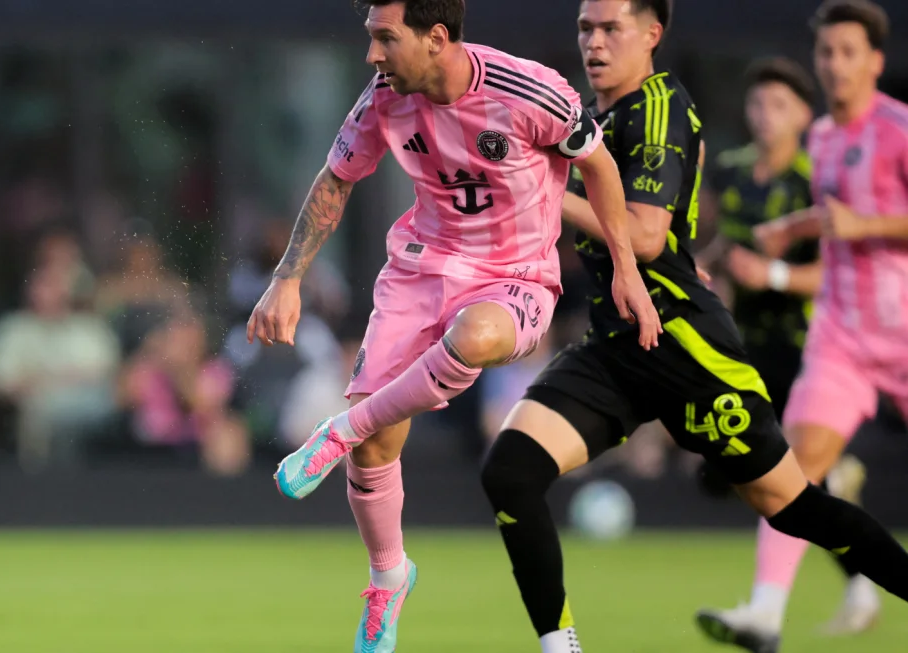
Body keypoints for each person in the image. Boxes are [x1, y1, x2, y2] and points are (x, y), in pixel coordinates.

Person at [472, 1, 908, 652]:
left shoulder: (656, 104)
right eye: (584, 28)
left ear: (652, 34)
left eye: (610, 28)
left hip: (683, 345)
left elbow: (646, 236)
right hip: (617, 344)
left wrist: (537, 182)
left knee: (792, 505)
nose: (593, 42)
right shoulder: (593, 120)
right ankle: (558, 646)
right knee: (509, 469)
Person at [247, 0, 661, 650]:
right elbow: (335, 179)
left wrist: (625, 270)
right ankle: (388, 578)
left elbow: (600, 167)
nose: (372, 55)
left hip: (514, 277)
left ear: (435, 37)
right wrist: (287, 276)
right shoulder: (385, 94)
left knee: (472, 340)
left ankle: (337, 427)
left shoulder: (529, 91)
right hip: (420, 268)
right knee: (377, 448)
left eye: (384, 39)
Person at [698, 1, 907, 650]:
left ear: (873, 60)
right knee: (787, 467)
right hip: (839, 338)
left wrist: (864, 228)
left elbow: (859, 219)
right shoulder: (819, 137)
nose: (834, 64)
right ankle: (763, 613)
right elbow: (829, 212)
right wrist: (792, 229)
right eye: (825, 52)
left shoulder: (898, 129)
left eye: (847, 51)